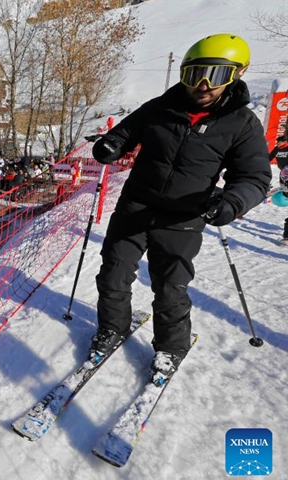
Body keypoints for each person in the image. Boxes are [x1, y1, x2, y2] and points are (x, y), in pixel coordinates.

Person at [87, 34, 270, 379]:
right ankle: (112, 327)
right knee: (113, 272)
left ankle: (171, 346)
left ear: (237, 74)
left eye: (214, 76)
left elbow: (254, 177)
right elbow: (126, 132)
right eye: (193, 74)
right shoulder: (160, 107)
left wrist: (230, 201)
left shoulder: (242, 124)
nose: (202, 85)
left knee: (169, 287)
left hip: (184, 216)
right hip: (136, 206)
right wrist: (111, 144)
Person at [268, 135, 288, 244]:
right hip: (284, 174)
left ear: (284, 141)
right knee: (283, 189)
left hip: (287, 172)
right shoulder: (277, 149)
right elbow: (269, 157)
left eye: (279, 142)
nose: (278, 144)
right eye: (277, 142)